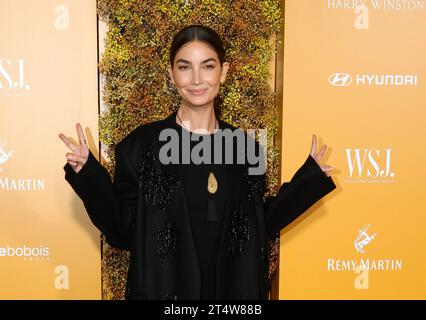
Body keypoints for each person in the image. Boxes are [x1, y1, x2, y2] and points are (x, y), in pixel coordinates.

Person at [58, 24, 337, 300]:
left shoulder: (245, 147)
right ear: (171, 74)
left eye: (207, 66)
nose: (196, 79)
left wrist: (307, 183)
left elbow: (257, 225)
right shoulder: (140, 146)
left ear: (223, 72)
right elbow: (123, 232)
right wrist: (89, 175)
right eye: (184, 67)